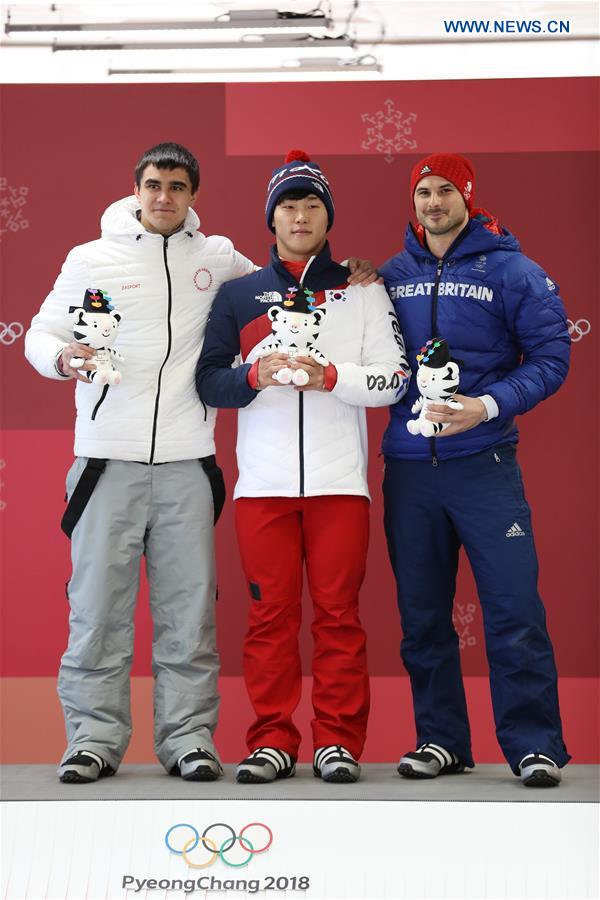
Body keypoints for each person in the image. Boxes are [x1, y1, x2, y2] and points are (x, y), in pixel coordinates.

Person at [24, 142, 377, 785]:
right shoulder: (90, 258)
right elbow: (39, 334)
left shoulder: (218, 260)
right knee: (97, 610)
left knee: (190, 614)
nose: (164, 197)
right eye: (154, 184)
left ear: (194, 196)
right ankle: (92, 740)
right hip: (106, 460)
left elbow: (284, 278)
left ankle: (188, 739)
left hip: (190, 463)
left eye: (178, 187)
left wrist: (344, 272)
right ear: (136, 189)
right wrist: (62, 358)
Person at [196, 150, 409, 785]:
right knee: (269, 618)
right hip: (263, 488)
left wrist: (335, 377)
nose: (300, 214)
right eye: (288, 204)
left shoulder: (364, 288)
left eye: (312, 203)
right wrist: (252, 377)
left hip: (340, 485)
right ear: (272, 216)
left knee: (339, 616)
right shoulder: (238, 295)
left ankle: (337, 742)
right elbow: (209, 382)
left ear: (327, 215)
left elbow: (396, 380)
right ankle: (271, 741)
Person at [379, 152, 571, 787]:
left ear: (468, 195)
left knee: (513, 610)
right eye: (422, 193)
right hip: (409, 470)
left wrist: (486, 406)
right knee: (422, 616)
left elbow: (550, 356)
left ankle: (534, 745)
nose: (432, 203)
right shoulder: (388, 275)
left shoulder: (513, 270)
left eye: (444, 192)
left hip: (484, 465)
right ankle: (440, 741)